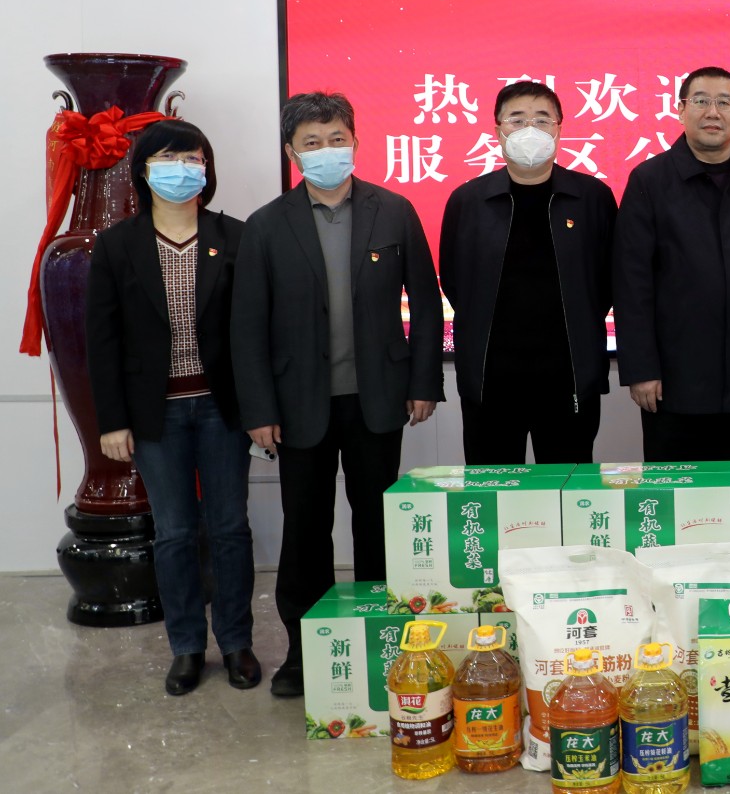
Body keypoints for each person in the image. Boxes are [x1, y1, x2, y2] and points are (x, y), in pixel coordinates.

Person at [232, 91, 444, 697]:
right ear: (292, 152)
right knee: (305, 531)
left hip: (378, 399)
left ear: (354, 142)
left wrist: (423, 382)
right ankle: (305, 654)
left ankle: (385, 645)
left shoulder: (394, 211)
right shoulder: (267, 225)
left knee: (377, 525)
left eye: (336, 139)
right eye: (312, 142)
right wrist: (258, 410)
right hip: (299, 405)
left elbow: (426, 303)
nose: (326, 151)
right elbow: (247, 326)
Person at [85, 120, 258, 696]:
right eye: (167, 159)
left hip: (222, 409)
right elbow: (101, 340)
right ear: (143, 171)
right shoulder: (117, 245)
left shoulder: (234, 236)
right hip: (154, 414)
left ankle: (236, 643)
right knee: (176, 532)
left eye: (192, 158)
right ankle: (186, 647)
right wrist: (112, 421)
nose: (181, 169)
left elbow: (255, 331)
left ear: (207, 169)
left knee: (230, 528)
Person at [614, 66, 730, 461]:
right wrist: (641, 369)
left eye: (724, 102)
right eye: (701, 101)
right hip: (673, 382)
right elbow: (631, 283)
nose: (713, 112)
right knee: (676, 490)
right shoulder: (649, 180)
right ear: (680, 110)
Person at [439, 78, 615, 465]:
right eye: (517, 120)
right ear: (497, 130)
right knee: (492, 490)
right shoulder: (468, 201)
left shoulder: (592, 198)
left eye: (541, 120)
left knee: (569, 491)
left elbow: (606, 283)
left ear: (559, 129)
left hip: (568, 378)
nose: (529, 129)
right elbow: (454, 281)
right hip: (491, 380)